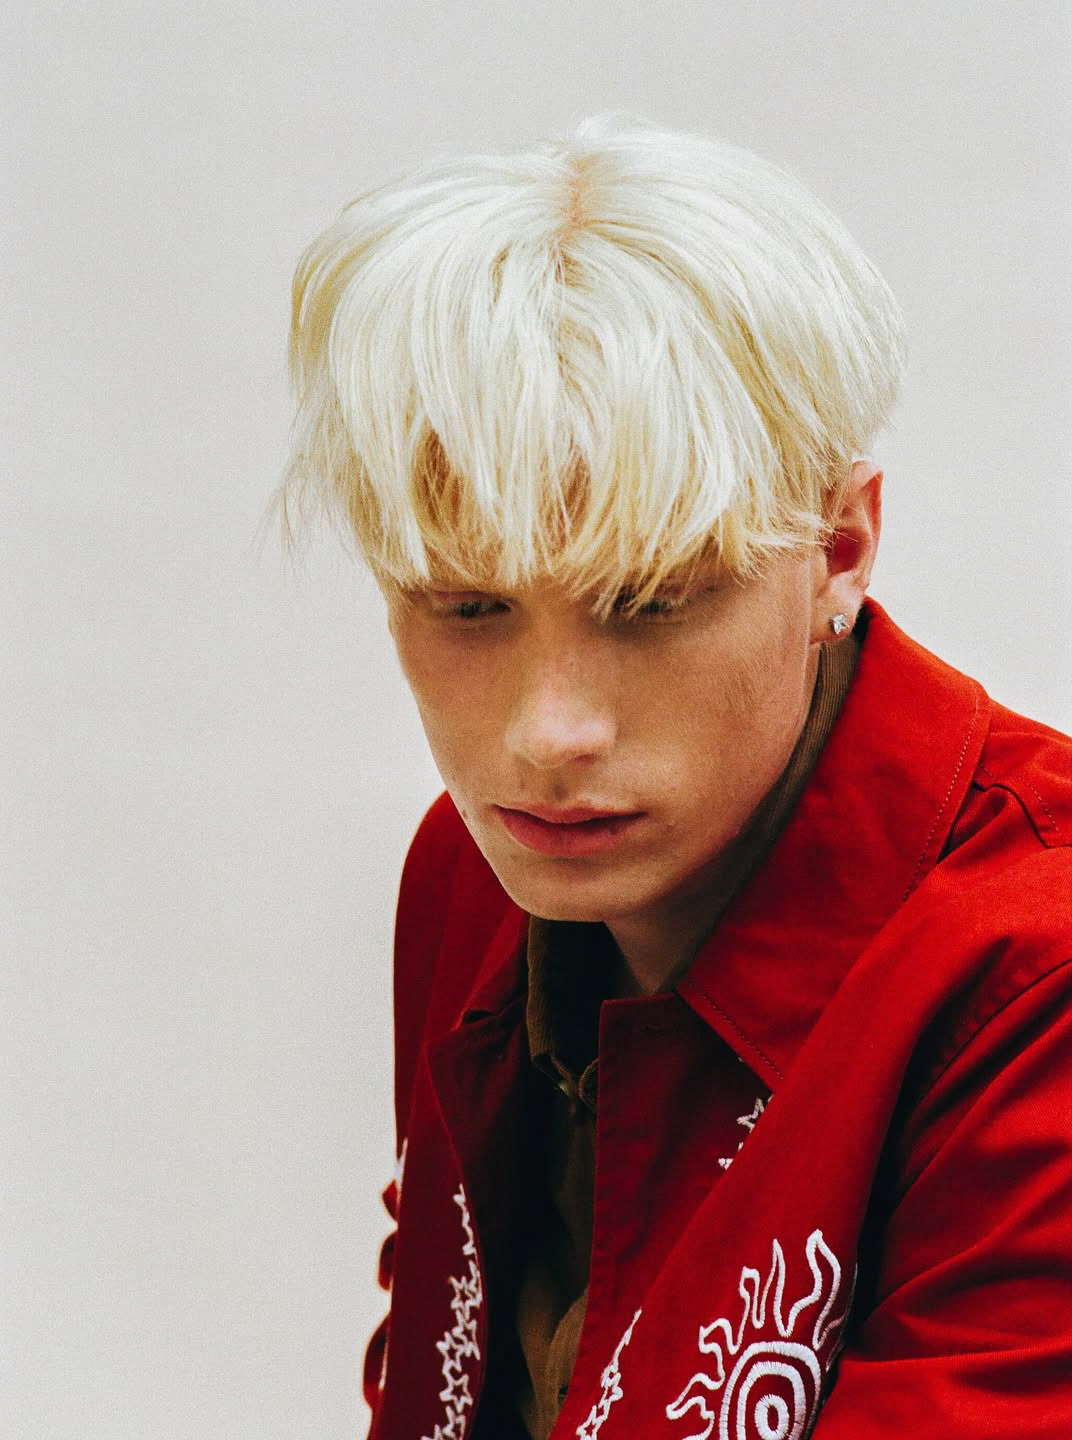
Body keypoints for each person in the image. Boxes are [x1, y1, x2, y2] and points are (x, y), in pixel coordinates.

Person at [280, 114, 1072, 1439]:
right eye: (467, 607)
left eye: (648, 603)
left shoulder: (1036, 976)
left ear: (838, 549)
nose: (549, 735)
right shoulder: (473, 874)